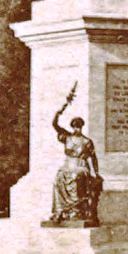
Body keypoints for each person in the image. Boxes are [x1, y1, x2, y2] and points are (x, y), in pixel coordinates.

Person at [48, 87, 101, 224]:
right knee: (58, 179)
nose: (77, 129)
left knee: (76, 177)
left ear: (81, 127)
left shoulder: (87, 141)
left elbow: (93, 158)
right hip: (68, 165)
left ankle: (75, 211)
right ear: (72, 127)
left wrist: (96, 173)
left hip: (81, 166)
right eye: (75, 126)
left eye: (79, 126)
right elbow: (54, 124)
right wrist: (62, 108)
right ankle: (61, 211)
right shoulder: (67, 137)